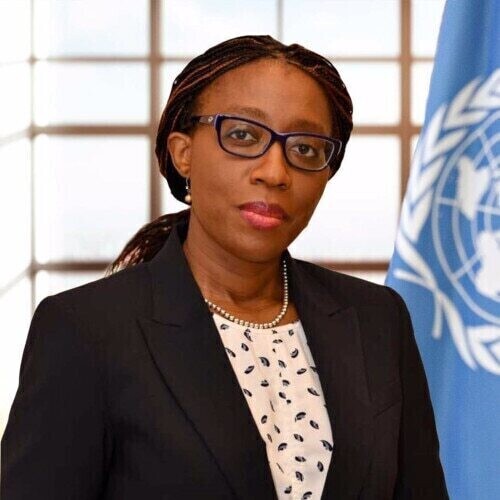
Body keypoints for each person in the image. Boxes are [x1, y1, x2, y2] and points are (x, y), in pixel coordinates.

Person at [0, 35, 448, 499]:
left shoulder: (377, 318)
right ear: (183, 153)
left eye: (305, 149)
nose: (275, 172)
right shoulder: (85, 330)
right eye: (243, 136)